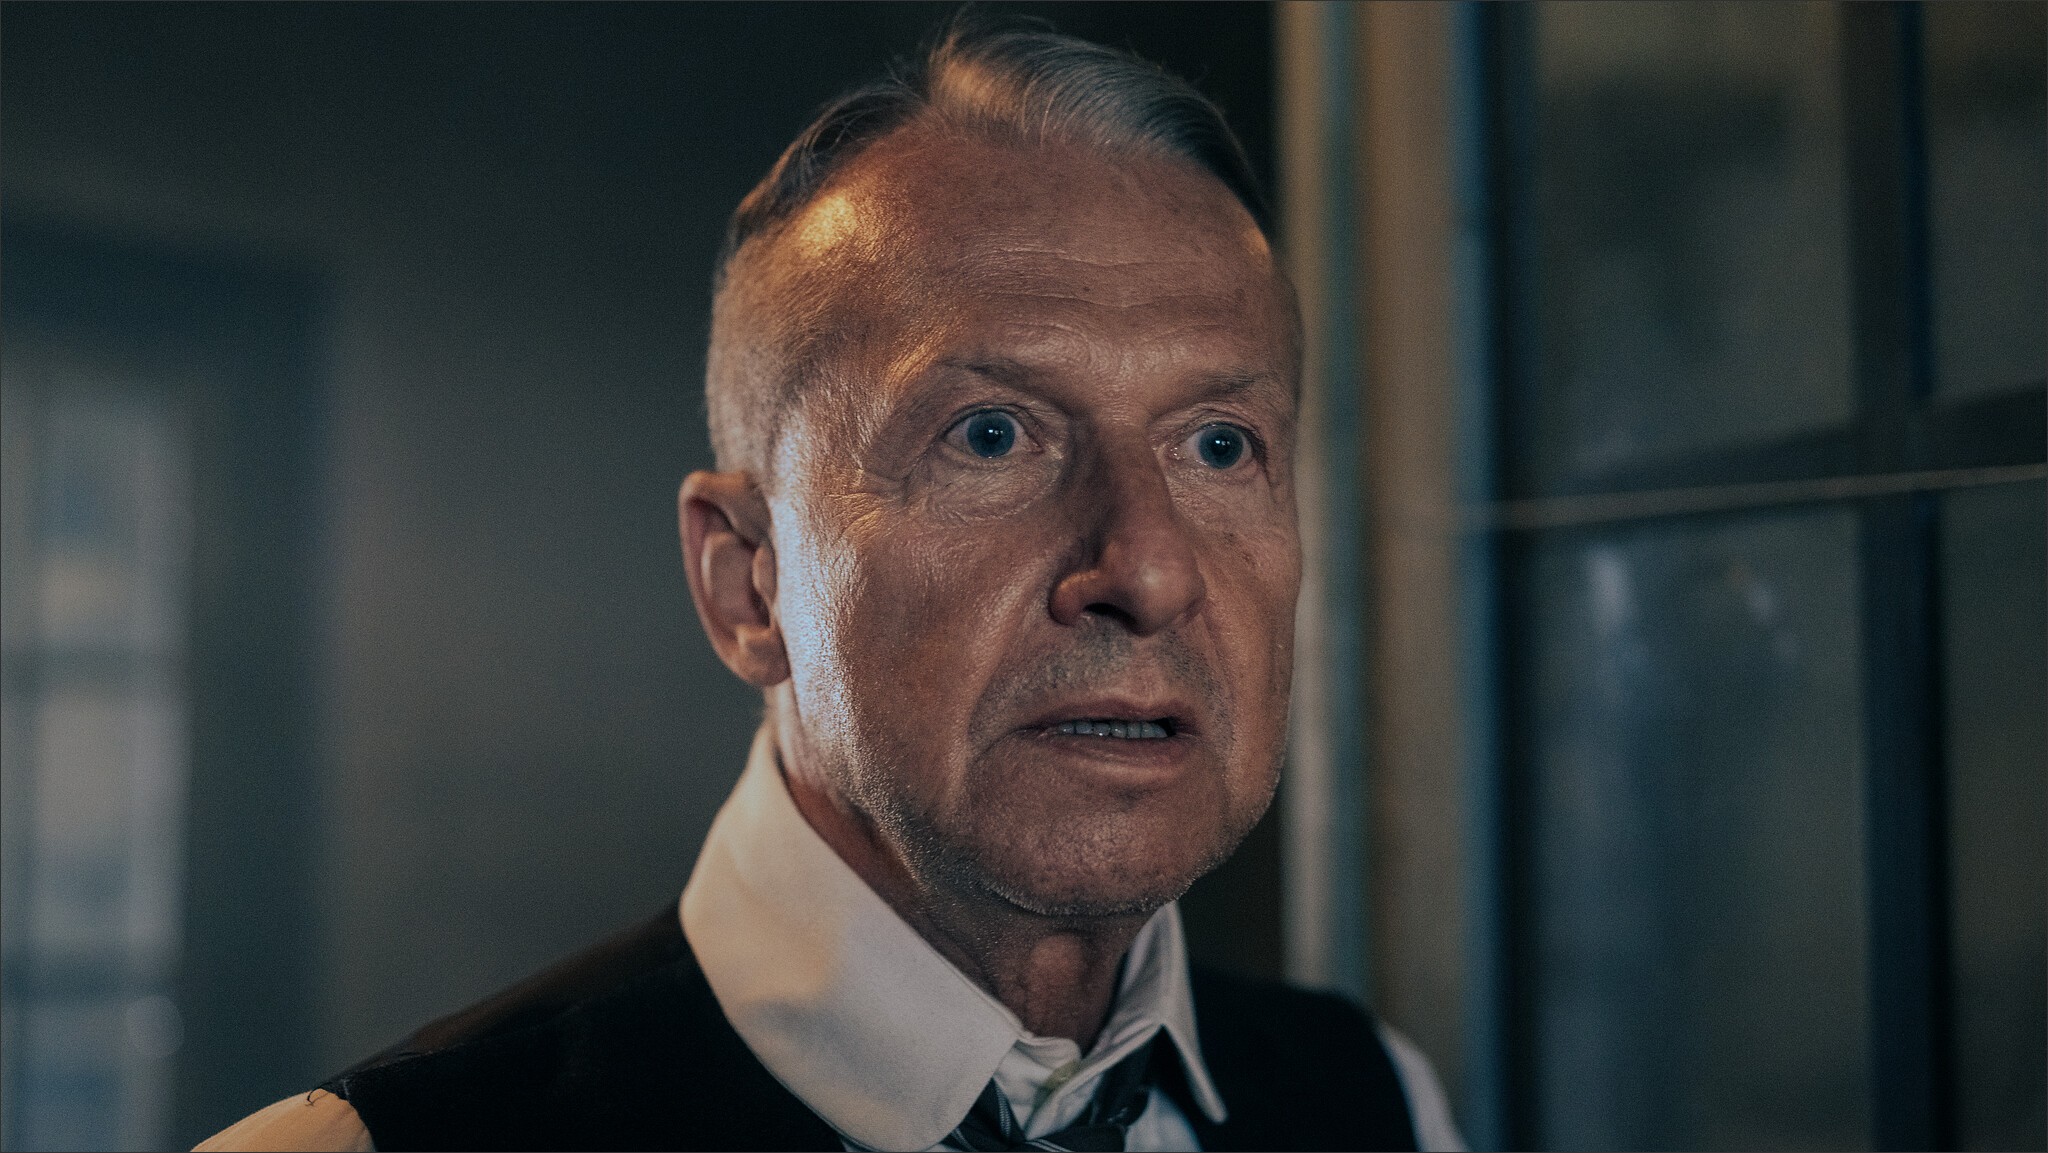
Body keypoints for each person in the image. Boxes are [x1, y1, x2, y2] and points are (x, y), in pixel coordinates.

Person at [199, 21, 1463, 1153]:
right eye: (989, 435)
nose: (1146, 567)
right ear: (746, 582)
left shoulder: (1374, 1102)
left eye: (1219, 445)